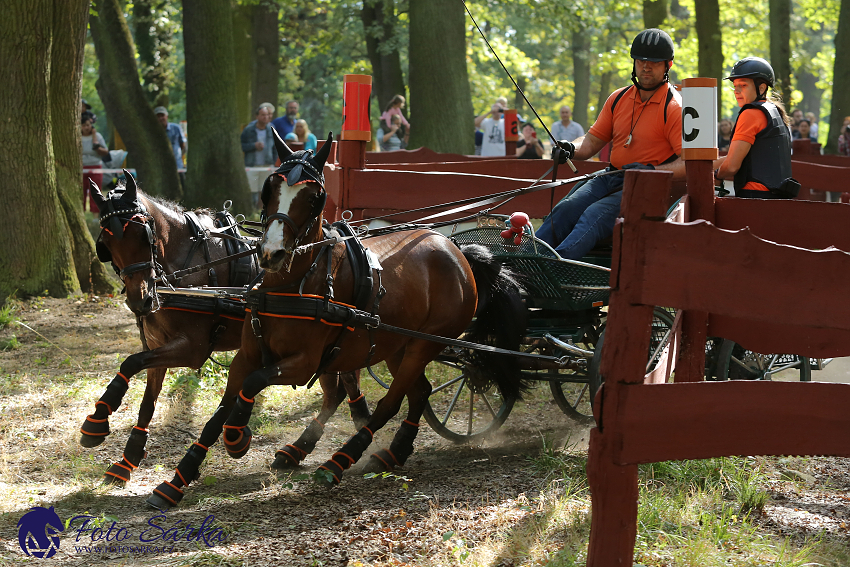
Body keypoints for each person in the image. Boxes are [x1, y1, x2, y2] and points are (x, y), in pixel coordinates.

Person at [536, 29, 684, 260]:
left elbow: (688, 162)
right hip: (610, 176)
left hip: (646, 187)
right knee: (567, 208)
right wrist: (571, 147)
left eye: (654, 62)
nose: (646, 67)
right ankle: (527, 261)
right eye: (641, 61)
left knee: (592, 216)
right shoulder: (617, 99)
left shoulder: (674, 108)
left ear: (668, 65)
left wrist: (652, 171)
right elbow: (593, 140)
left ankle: (555, 268)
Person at [713, 57, 797, 200]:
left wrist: (716, 175)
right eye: (735, 85)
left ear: (762, 87)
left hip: (754, 197)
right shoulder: (774, 111)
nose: (736, 91)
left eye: (743, 85)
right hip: (777, 197)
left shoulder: (750, 114)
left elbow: (732, 166)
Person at [81, 111, 109, 213]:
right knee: (81, 192)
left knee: (95, 192)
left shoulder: (97, 136)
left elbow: (105, 152)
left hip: (96, 167)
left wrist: (95, 140)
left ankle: (96, 214)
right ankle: (81, 213)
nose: (86, 127)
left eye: (88, 125)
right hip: (81, 168)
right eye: (83, 125)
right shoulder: (76, 136)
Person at [154, 106, 186, 170]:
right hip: (160, 168)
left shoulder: (176, 128)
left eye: (162, 115)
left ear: (166, 116)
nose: (160, 118)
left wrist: (178, 156)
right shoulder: (152, 132)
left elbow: (183, 145)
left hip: (177, 166)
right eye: (158, 116)